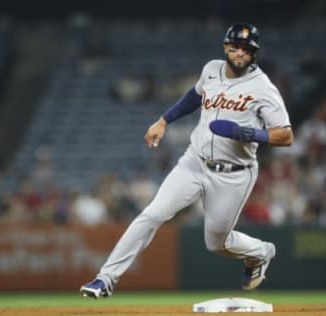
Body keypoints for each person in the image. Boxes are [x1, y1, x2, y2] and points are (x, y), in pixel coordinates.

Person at [80, 23, 293, 298]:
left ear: (254, 54)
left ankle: (261, 252)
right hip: (194, 161)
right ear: (226, 47)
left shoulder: (263, 87)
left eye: (246, 49)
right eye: (235, 47)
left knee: (216, 243)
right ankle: (105, 279)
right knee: (153, 214)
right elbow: (194, 95)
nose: (240, 53)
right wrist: (164, 120)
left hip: (233, 174)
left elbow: (285, 135)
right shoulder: (212, 69)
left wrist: (246, 132)